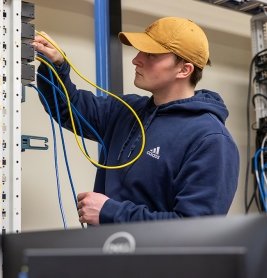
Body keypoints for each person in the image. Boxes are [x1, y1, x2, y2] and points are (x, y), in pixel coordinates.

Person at [33, 16, 239, 226]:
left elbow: (195, 228)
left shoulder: (211, 140)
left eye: (151, 54)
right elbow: (68, 106)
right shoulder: (126, 110)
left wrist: (110, 212)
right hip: (107, 254)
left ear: (184, 69)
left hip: (153, 259)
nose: (136, 59)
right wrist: (56, 64)